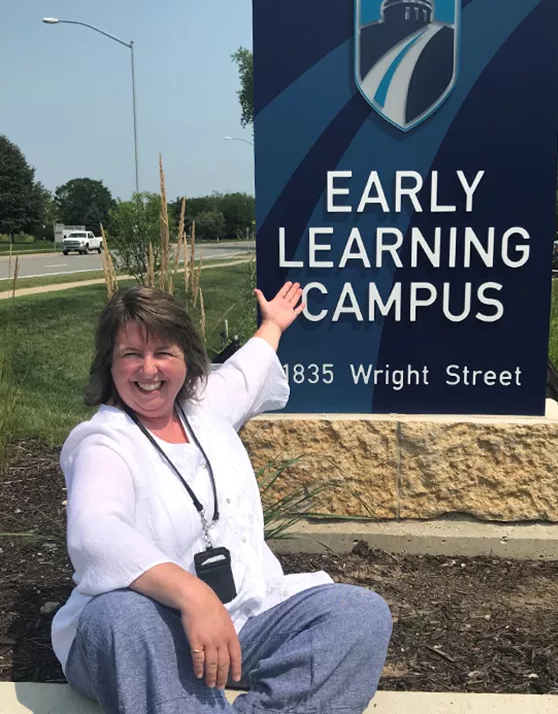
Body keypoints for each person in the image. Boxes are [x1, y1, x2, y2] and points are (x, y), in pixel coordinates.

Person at [51, 281, 392, 714]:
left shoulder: (203, 407)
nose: (149, 369)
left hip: (237, 626)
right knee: (121, 615)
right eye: (131, 354)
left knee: (358, 614)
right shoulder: (103, 442)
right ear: (110, 364)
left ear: (186, 358)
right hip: (147, 639)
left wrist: (272, 325)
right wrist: (194, 596)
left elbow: (247, 372)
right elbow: (95, 532)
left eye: (163, 352)